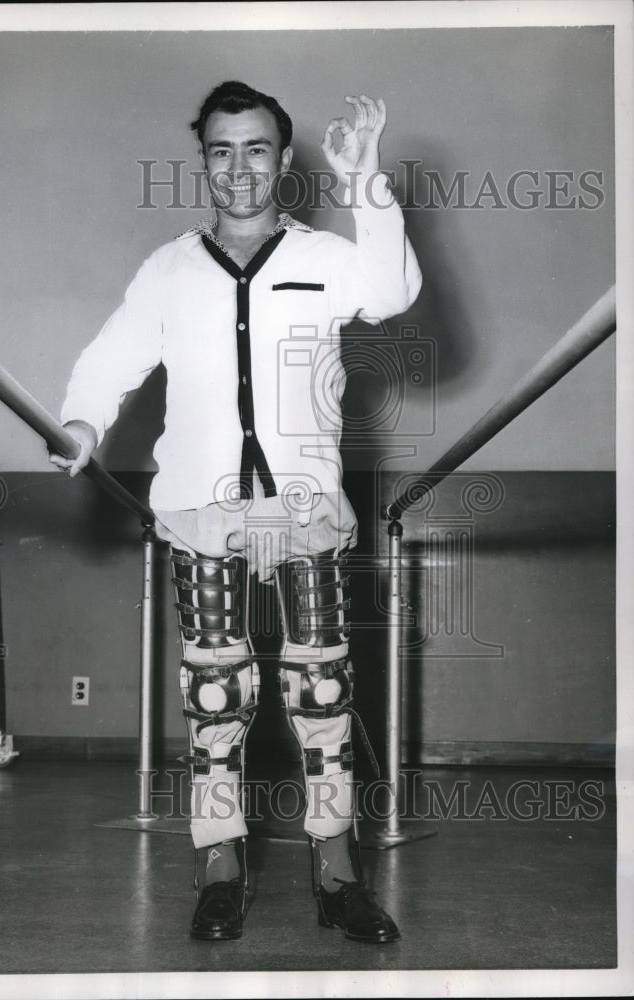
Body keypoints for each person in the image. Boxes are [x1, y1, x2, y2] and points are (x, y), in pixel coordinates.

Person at [50, 80, 422, 942]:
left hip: (303, 508)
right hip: (201, 507)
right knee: (214, 695)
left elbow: (395, 290)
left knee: (322, 691)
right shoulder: (169, 269)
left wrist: (364, 177)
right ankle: (219, 865)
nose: (239, 166)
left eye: (257, 148)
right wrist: (81, 421)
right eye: (221, 150)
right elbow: (110, 360)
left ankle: (337, 872)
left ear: (284, 160)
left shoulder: (326, 258)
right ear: (205, 162)